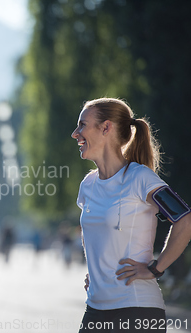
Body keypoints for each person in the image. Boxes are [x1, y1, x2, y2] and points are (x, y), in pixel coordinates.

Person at [71, 98, 191, 332]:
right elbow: (95, 235)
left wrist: (156, 268)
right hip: (95, 309)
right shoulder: (88, 185)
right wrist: (97, 272)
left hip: (137, 310)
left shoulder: (140, 178)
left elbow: (185, 219)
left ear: (106, 128)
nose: (76, 133)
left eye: (82, 125)